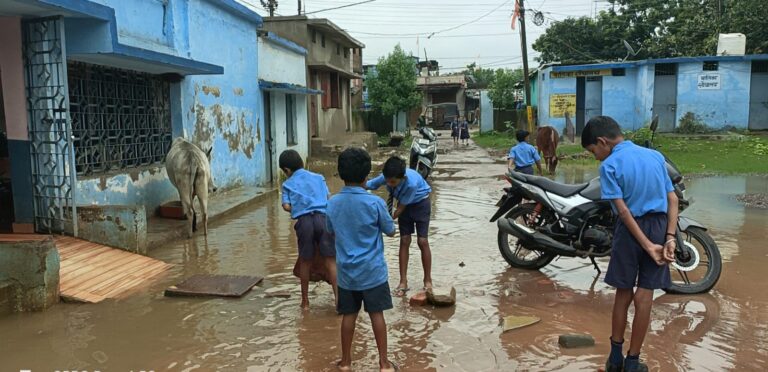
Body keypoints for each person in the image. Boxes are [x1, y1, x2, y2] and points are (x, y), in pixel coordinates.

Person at [581, 116, 678, 372]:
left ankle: (615, 359)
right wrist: (669, 238)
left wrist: (645, 245)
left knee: (623, 293)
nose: (596, 157)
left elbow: (623, 212)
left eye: (593, 151)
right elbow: (673, 200)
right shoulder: (655, 156)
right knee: (645, 296)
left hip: (629, 231)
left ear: (602, 142)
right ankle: (633, 362)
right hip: (659, 227)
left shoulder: (610, 165)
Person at [327, 147, 397, 372]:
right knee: (377, 315)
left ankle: (346, 362)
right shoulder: (374, 203)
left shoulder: (332, 203)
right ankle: (384, 363)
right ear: (367, 175)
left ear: (340, 174)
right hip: (373, 272)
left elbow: (330, 229)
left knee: (349, 316)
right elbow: (390, 230)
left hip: (346, 273)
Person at [279, 149, 337, 310]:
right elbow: (328, 199)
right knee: (331, 260)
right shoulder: (319, 178)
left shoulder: (287, 184)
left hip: (304, 223)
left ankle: (305, 302)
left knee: (305, 261)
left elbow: (286, 206)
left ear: (286, 171)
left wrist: (298, 208)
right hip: (323, 220)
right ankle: (339, 300)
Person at [366, 156, 432, 296]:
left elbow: (400, 209)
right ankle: (403, 282)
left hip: (421, 203)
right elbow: (369, 185)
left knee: (422, 241)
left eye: (393, 182)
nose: (389, 184)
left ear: (402, 178)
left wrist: (383, 221)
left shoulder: (411, 184)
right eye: (387, 181)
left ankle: (427, 280)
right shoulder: (387, 177)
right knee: (404, 240)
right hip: (404, 206)